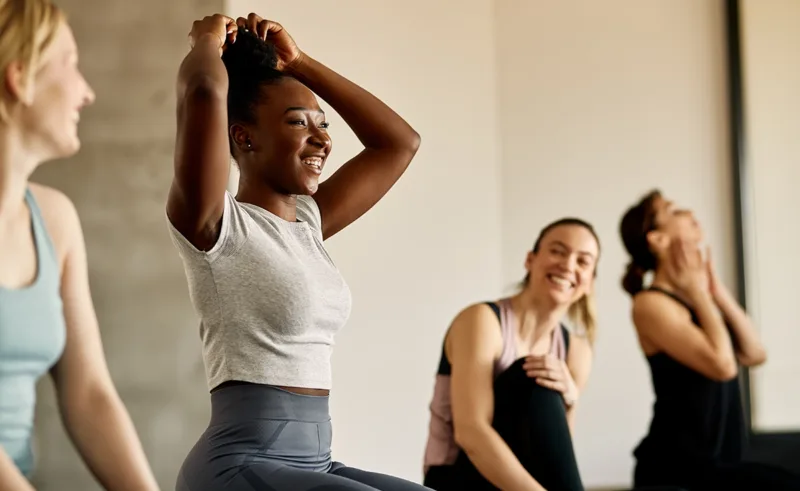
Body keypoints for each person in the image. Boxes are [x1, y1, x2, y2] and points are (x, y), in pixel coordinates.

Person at [166, 12, 424, 491]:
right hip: (240, 464)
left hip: (315, 463)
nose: (322, 139)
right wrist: (206, 40)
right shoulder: (215, 226)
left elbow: (399, 144)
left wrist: (300, 62)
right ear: (244, 137)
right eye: (298, 123)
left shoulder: (308, 224)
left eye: (322, 125)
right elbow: (204, 90)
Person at [0, 1, 160, 490]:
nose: (86, 92)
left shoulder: (55, 220)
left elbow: (88, 394)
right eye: (70, 63)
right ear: (19, 74)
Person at [620, 189, 800, 490]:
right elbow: (723, 366)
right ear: (657, 239)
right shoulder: (650, 303)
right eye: (673, 210)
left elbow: (755, 354)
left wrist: (715, 291)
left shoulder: (698, 299)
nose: (689, 213)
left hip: (721, 463)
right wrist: (699, 293)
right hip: (677, 470)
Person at [422, 218, 600, 491]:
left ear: (589, 282)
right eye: (558, 251)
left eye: (583, 261)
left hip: (524, 477)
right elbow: (471, 433)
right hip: (457, 477)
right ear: (530, 260)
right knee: (532, 376)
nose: (568, 265)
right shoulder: (482, 320)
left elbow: (556, 453)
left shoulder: (577, 350)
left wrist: (571, 400)